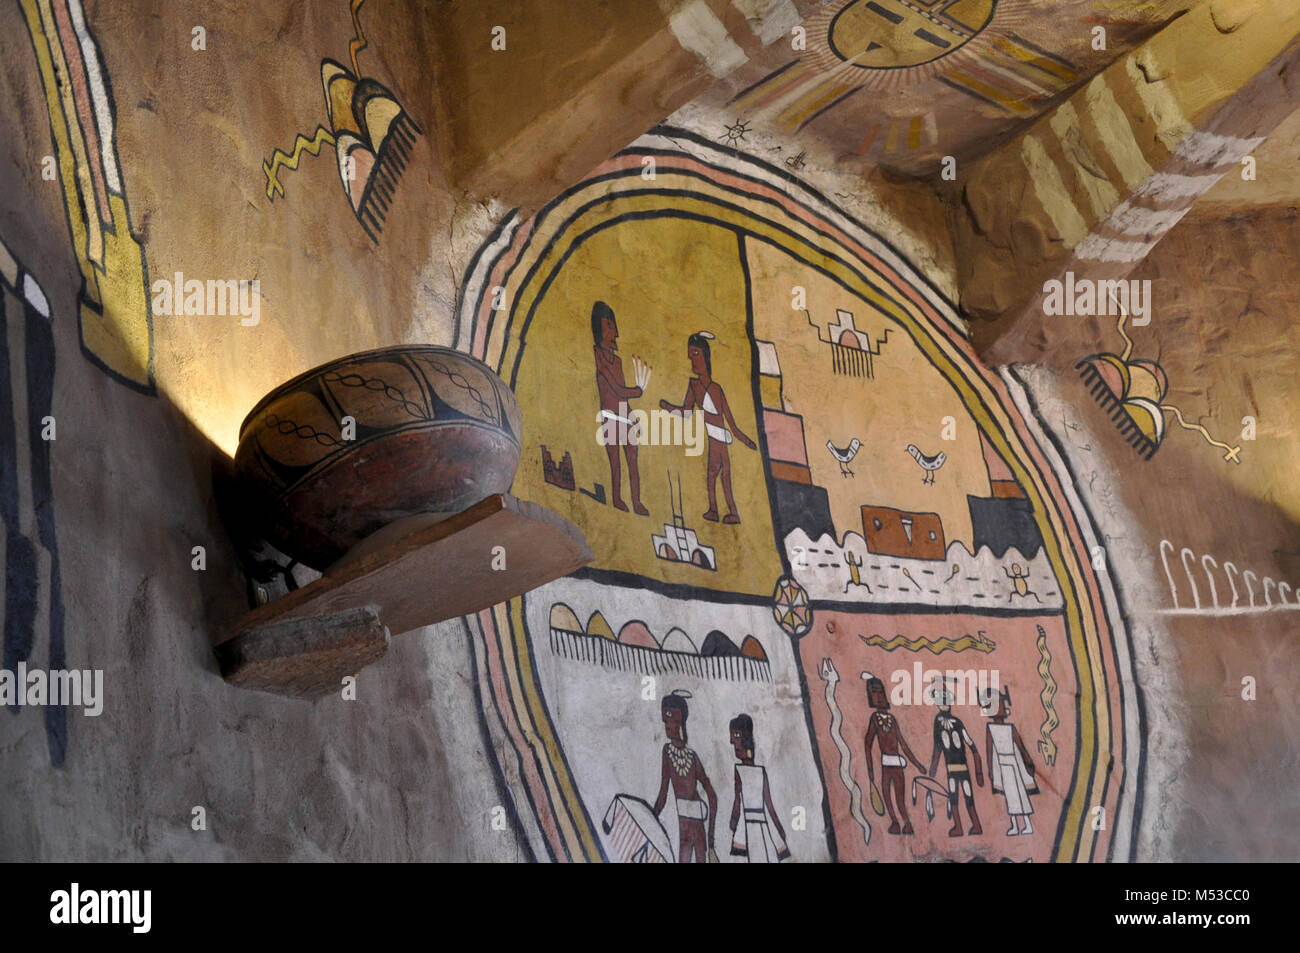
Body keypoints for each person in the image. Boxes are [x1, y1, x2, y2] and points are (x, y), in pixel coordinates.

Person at [659, 331, 755, 524]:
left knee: (722, 476)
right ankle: (714, 510)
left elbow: (731, 423)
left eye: (696, 354)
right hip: (713, 439)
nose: (693, 361)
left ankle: (730, 512)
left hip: (721, 439)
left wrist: (747, 441)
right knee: (712, 475)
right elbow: (686, 412)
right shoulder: (694, 386)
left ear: (705, 356)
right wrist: (668, 407)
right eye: (690, 356)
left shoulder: (716, 389)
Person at [592, 301, 649, 515]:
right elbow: (618, 390)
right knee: (615, 462)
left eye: (613, 325)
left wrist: (633, 417)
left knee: (632, 461)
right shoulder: (600, 358)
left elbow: (623, 397)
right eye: (609, 325)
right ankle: (617, 498)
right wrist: (638, 390)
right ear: (599, 328)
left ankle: (637, 501)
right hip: (610, 417)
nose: (614, 331)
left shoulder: (617, 361)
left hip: (624, 417)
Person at [652, 690, 718, 862]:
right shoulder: (667, 752)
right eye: (665, 720)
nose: (667, 725)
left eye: (671, 719)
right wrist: (650, 819)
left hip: (696, 825)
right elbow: (663, 795)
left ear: (680, 721)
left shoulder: (691, 755)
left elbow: (712, 795)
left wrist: (711, 839)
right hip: (681, 824)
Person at [862, 672, 925, 834]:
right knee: (886, 795)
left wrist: (917, 764)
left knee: (898, 797)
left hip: (896, 764)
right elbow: (868, 743)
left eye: (880, 692)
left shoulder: (891, 720)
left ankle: (906, 822)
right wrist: (870, 770)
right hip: (886, 764)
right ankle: (895, 822)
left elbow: (903, 744)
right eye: (874, 693)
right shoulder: (875, 718)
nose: (879, 697)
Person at [727, 714, 790, 862]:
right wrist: (779, 828)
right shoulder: (760, 772)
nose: (733, 742)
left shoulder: (741, 771)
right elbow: (769, 805)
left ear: (746, 738)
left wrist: (734, 819)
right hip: (761, 826)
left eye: (736, 735)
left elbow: (738, 801)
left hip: (748, 825)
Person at [927, 678, 984, 837]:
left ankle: (976, 825)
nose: (944, 703)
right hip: (953, 768)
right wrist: (933, 769)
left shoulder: (957, 722)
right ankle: (959, 826)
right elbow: (938, 747)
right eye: (940, 699)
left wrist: (979, 772)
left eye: (945, 698)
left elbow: (971, 745)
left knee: (967, 797)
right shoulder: (939, 721)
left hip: (960, 768)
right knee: (954, 798)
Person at [983, 687, 1038, 835]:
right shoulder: (990, 728)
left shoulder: (1011, 728)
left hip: (1014, 765)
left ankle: (1027, 823)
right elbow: (989, 752)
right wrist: (991, 771)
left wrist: (1028, 763)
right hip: (1002, 765)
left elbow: (1021, 747)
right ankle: (1014, 824)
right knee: (1010, 797)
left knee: (1020, 794)